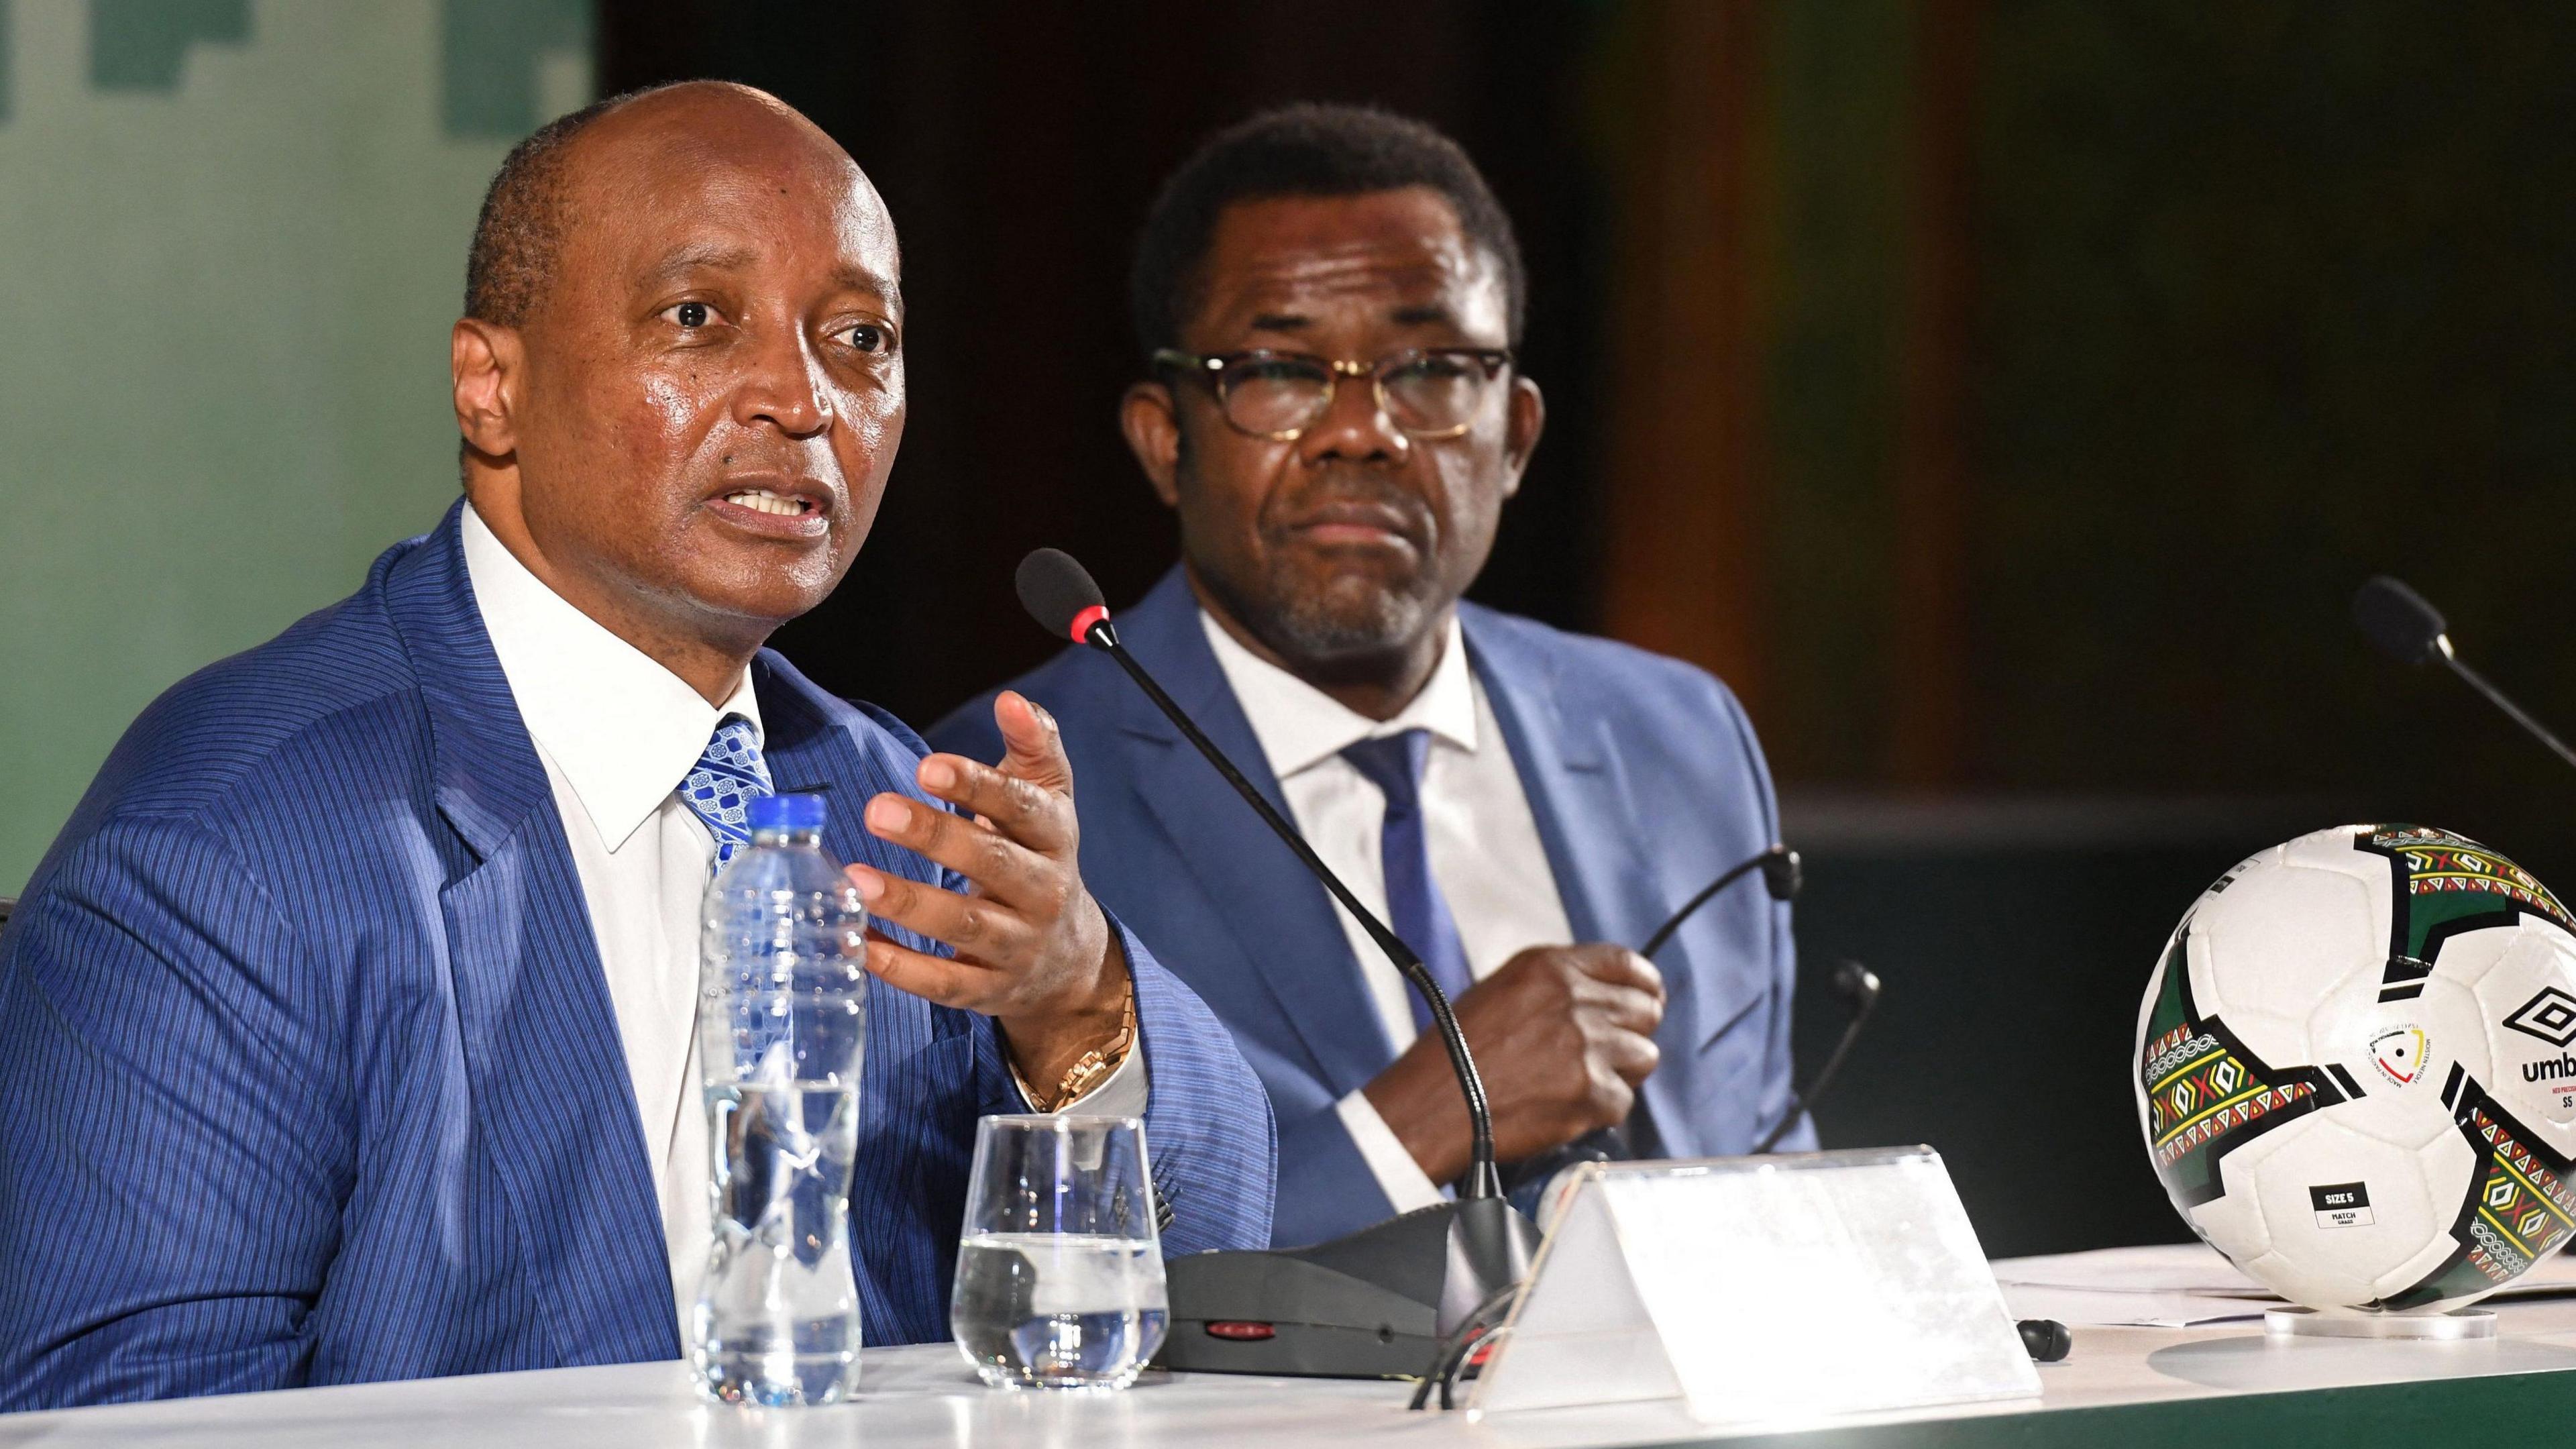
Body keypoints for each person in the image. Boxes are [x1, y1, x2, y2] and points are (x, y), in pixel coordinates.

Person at [0, 83, 1273, 1409]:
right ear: (491, 386)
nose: (802, 398)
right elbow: (125, 1417)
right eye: (696, 319)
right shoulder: (238, 838)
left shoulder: (892, 806)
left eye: (859, 337)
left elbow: (1220, 1277)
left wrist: (1073, 997)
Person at [932, 105, 1807, 1249]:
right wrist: (1426, 1117)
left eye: (1432, 369)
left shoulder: (1679, 736)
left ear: (1517, 435)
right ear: (1165, 440)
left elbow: (1783, 1178)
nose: (1361, 431)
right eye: (1282, 369)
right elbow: (1043, 1263)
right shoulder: (1015, 798)